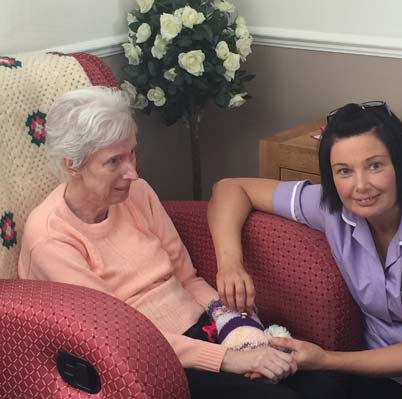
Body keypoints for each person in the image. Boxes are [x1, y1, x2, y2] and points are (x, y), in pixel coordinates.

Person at [18, 86, 342, 399]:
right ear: (71, 165)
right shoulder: (51, 239)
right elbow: (119, 336)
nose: (131, 172)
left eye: (132, 152)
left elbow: (187, 277)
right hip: (147, 358)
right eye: (114, 162)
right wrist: (229, 360)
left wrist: (235, 326)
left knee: (324, 385)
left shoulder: (138, 193)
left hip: (201, 329)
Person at [207, 101, 402, 399]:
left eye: (375, 165)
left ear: (401, 162)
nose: (360, 186)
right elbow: (230, 189)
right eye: (344, 171)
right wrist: (230, 265)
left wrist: (325, 359)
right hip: (378, 372)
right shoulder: (334, 208)